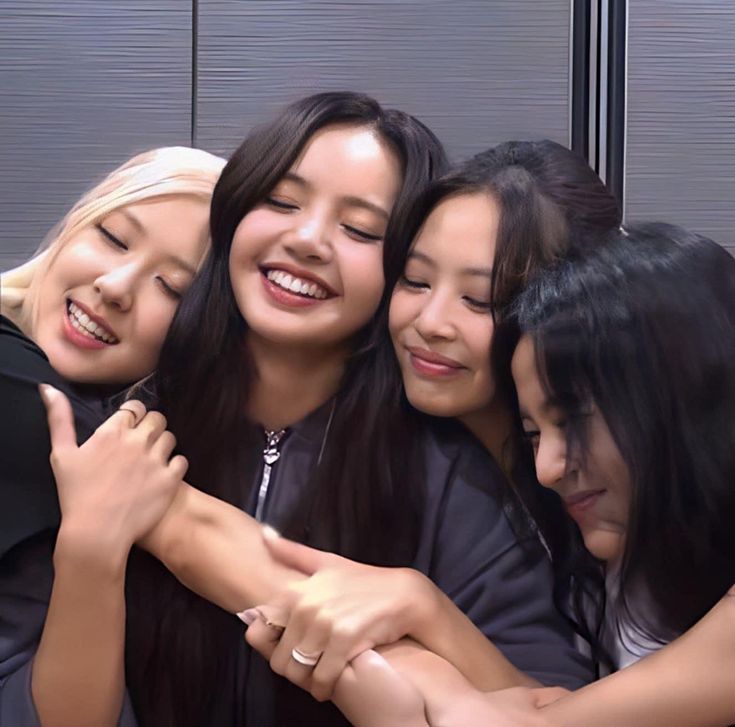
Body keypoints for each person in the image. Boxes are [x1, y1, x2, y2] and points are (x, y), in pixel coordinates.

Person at [107, 94, 591, 727]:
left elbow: (550, 704)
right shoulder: (132, 414)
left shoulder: (451, 476)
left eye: (360, 229)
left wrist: (419, 632)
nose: (306, 240)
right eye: (281, 201)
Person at [275, 222, 735, 727]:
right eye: (534, 435)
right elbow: (550, 709)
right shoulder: (625, 574)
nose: (548, 469)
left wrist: (416, 685)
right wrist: (422, 608)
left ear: (683, 392)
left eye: (573, 420)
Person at [243, 139, 621, 704]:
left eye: (480, 300)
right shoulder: (386, 449)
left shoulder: (617, 483)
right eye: (415, 281)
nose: (431, 321)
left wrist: (423, 609)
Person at [0, 146, 225, 726]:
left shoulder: (156, 444)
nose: (116, 285)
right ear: (76, 222)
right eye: (114, 237)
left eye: (173, 288)